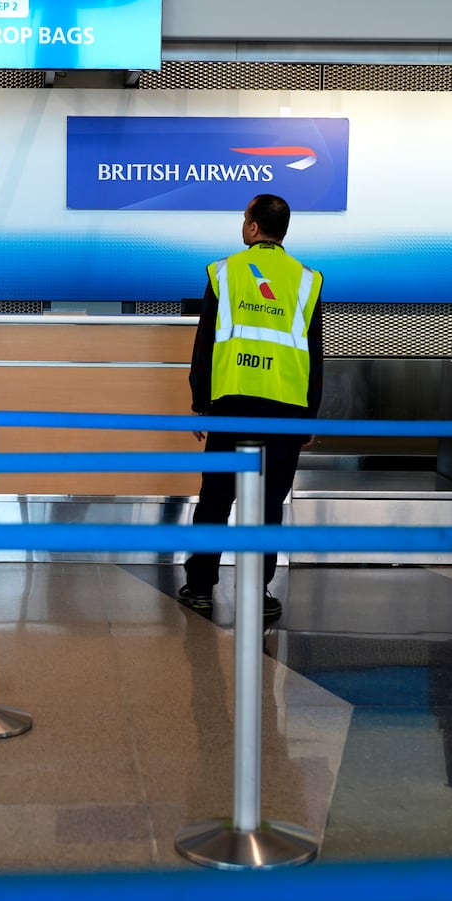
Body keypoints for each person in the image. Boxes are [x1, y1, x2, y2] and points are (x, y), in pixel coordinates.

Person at [178, 193, 324, 621]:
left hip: (232, 402)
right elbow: (315, 352)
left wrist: (199, 400)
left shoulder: (225, 273)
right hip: (286, 408)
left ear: (254, 228)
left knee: (216, 498)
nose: (243, 224)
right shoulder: (306, 279)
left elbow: (205, 342)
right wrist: (309, 414)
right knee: (267, 504)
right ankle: (257, 593)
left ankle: (201, 586)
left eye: (245, 218)